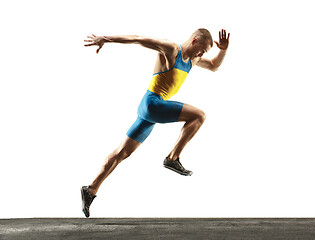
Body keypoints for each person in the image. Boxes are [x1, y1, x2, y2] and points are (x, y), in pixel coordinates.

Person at [81, 28, 230, 217]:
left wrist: (223, 50)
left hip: (150, 110)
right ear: (194, 41)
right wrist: (105, 39)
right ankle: (172, 158)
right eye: (202, 50)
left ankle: (91, 189)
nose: (202, 54)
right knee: (199, 116)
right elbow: (137, 38)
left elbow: (215, 66)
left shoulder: (194, 60)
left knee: (122, 153)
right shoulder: (171, 50)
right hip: (153, 104)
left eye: (205, 53)